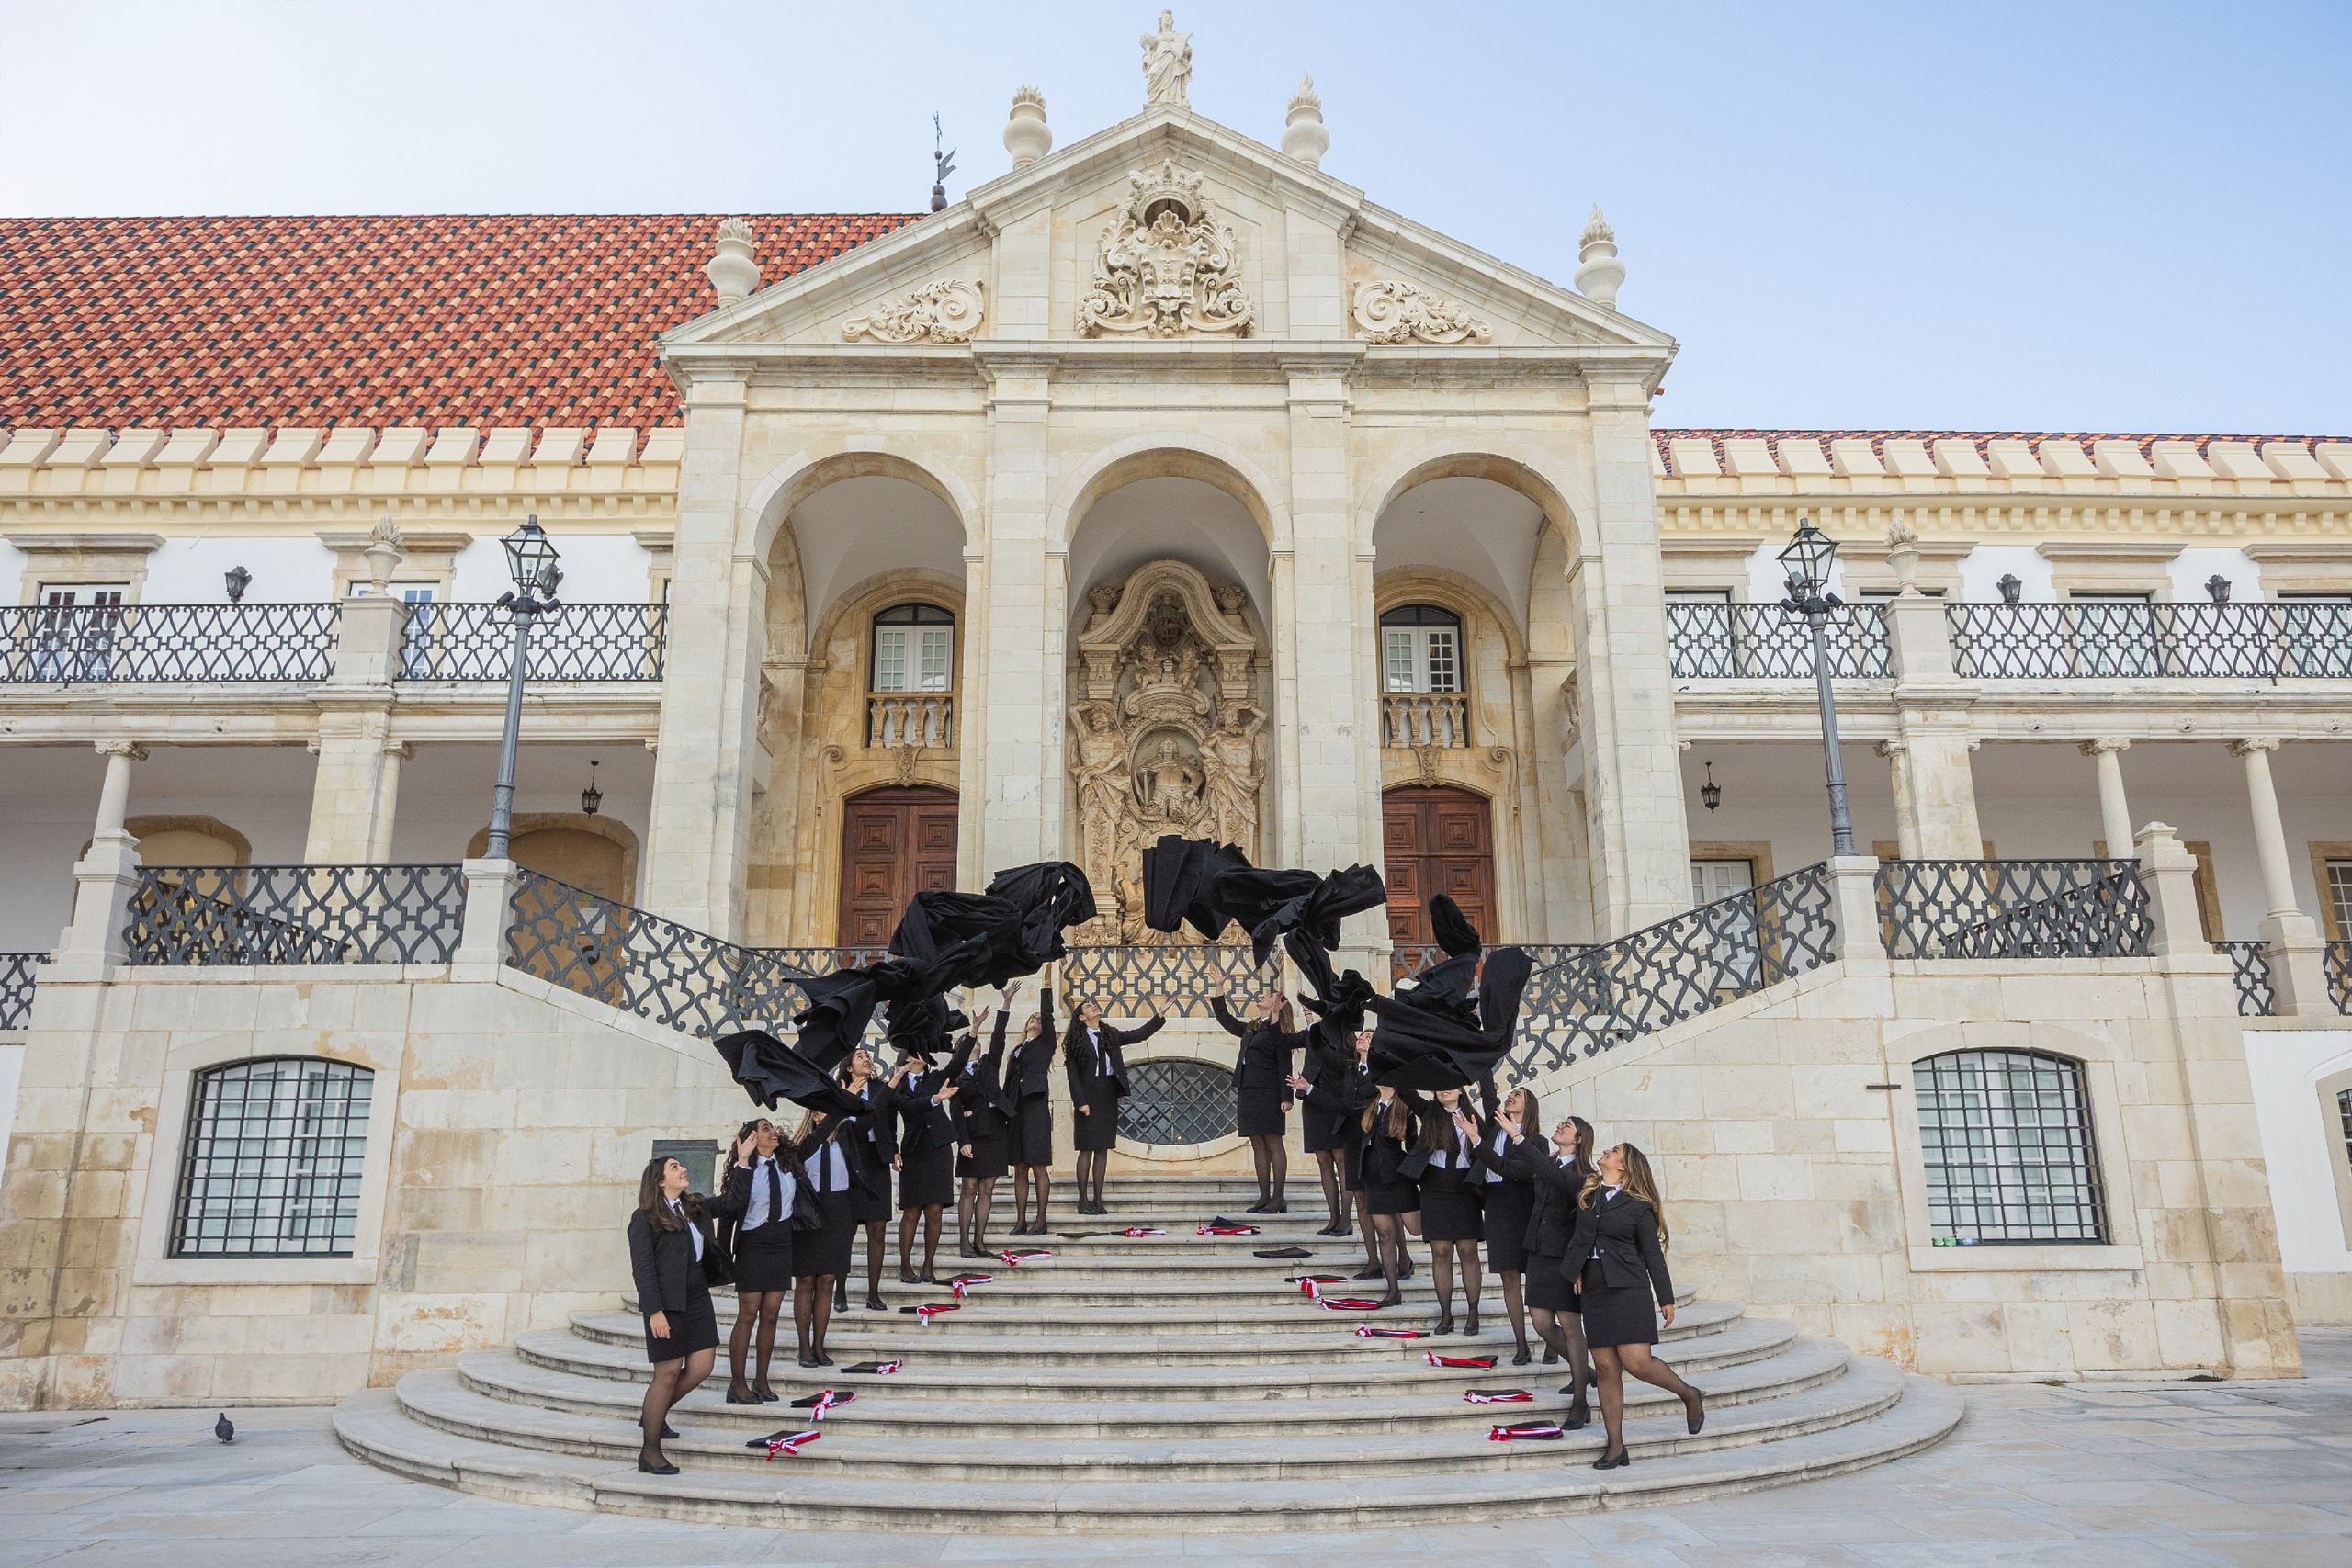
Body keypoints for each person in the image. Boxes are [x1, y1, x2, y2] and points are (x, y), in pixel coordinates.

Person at [1572, 1141, 1703, 1469]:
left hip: (1629, 1288)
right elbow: (1579, 1238)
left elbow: (1653, 1255)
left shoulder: (1638, 1206)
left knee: (1637, 1362)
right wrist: (1574, 1268)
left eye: (1614, 1150)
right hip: (1595, 1289)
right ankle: (1616, 1447)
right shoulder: (1589, 1195)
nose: (1605, 1152)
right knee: (1604, 1367)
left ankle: (1689, 1394)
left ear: (1625, 1165)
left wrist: (1666, 1298)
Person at [625, 1154, 728, 1474]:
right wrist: (654, 1312)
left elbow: (734, 1200)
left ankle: (652, 1414)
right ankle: (650, 1451)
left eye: (681, 1166)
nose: (683, 1169)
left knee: (702, 1366)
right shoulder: (643, 1218)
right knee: (667, 1374)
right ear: (659, 1181)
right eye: (675, 1167)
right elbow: (642, 1270)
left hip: (697, 1297)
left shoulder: (694, 1207)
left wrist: (746, 1160)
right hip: (665, 1304)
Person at [1500, 1110, 1597, 1427]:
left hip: (1566, 1257)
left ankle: (1580, 1401)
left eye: (1567, 1126)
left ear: (1579, 1139)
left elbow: (1559, 1184)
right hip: (1539, 1252)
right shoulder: (1551, 1163)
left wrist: (1518, 1137)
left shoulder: (1586, 1175)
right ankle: (1583, 1371)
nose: (1560, 1127)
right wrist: (1476, 1139)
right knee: (1542, 1324)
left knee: (1570, 1325)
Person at [711, 1118, 797, 1404]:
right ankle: (737, 1384)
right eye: (765, 1129)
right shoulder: (743, 1171)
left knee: (771, 1314)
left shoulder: (788, 1165)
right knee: (748, 1313)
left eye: (772, 1128)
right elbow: (727, 1215)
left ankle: (761, 1381)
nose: (773, 1132)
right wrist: (724, 1258)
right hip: (753, 1244)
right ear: (750, 1139)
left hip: (782, 1244)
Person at [1063, 993, 1168, 1215]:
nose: (1094, 1006)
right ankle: (1083, 1201)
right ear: (1081, 1017)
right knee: (1086, 1149)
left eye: (1094, 1004)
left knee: (1103, 1148)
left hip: (1107, 1093)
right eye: (1088, 1006)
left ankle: (1098, 1200)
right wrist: (1080, 1102)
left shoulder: (1110, 1034)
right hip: (1087, 1096)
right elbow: (1072, 1075)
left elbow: (1138, 1035)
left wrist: (1159, 1015)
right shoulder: (1076, 1040)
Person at [1212, 982, 1304, 1213]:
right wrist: (1219, 988)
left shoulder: (1278, 1031)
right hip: (1249, 1090)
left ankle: (1279, 1198)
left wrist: (1287, 1097)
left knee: (1273, 1141)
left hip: (1270, 1091)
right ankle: (1264, 1197)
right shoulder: (1252, 1027)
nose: (1264, 996)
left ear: (1279, 1006)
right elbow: (1226, 1019)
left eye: (1270, 995)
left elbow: (1285, 1064)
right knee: (1256, 1143)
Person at [1470, 1084, 1541, 1364]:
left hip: (1525, 1210)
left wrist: (1477, 1143)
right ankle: (1521, 1344)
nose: (1510, 1097)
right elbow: (1489, 1095)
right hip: (1497, 1207)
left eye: (1518, 1095)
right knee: (1509, 1279)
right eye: (1510, 1094)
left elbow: (1513, 1170)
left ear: (1529, 1105)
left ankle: (1551, 1340)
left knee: (1537, 1279)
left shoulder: (1537, 1141)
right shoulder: (1492, 1129)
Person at [832, 1044, 902, 1313]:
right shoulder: (840, 1090)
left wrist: (894, 1149)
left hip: (876, 1160)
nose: (866, 1059)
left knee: (878, 1229)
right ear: (849, 1067)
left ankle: (873, 1293)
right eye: (860, 1056)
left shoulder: (880, 1088)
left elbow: (891, 1120)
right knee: (845, 1231)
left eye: (868, 1056)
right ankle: (840, 1291)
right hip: (848, 1161)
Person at [787, 1108, 855, 1367]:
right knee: (806, 1280)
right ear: (813, 1116)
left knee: (828, 1278)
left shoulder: (844, 1138)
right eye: (822, 1110)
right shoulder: (802, 1145)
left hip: (838, 1209)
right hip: (809, 1210)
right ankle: (804, 1347)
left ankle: (819, 1344)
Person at [956, 984, 1018, 1258]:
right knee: (969, 1187)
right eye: (971, 1043)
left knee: (988, 1187)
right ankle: (964, 1242)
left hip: (995, 1129)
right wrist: (962, 1141)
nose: (976, 1044)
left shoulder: (990, 1062)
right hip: (972, 1134)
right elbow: (956, 1110)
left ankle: (980, 1241)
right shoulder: (955, 1074)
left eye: (977, 1042)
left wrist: (1005, 1004)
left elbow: (999, 1038)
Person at [1419, 1089, 1487, 1335]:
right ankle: (1446, 1314)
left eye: (1450, 1085)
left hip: (1465, 1186)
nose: (1443, 1090)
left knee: (1468, 1250)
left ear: (1460, 1090)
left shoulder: (1474, 1118)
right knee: (1441, 1252)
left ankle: (1473, 1312)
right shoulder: (1429, 1114)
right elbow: (1405, 1093)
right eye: (1438, 1086)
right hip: (1434, 1187)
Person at [1291, 1008, 1363, 1237]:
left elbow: (1339, 1063)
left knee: (1341, 1160)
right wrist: (1308, 1021)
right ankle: (1333, 1217)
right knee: (1323, 1161)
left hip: (1338, 1102)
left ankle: (1345, 1218)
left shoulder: (1347, 1037)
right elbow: (1283, 1040)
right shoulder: (1315, 1032)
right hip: (1313, 1102)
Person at [894, 1041, 962, 1282]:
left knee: (934, 1211)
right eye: (915, 1052)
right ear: (906, 1057)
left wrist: (973, 1033)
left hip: (938, 1149)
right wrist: (934, 1099)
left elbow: (958, 1062)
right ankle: (904, 1266)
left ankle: (928, 1266)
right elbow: (902, 1110)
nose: (920, 1055)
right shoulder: (897, 1085)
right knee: (911, 1211)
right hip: (913, 1151)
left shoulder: (936, 1078)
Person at [1355, 1083, 1422, 1308]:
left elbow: (1415, 1147)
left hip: (1398, 1178)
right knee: (1384, 1234)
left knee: (1415, 1228)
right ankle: (1393, 1290)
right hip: (1374, 1180)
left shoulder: (1405, 1109)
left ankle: (1407, 1262)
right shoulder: (1371, 1105)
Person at [1002, 981, 1057, 1235]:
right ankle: (1020, 1219)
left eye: (1038, 1018)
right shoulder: (1016, 1051)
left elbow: (1048, 1014)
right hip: (1016, 1111)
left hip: (1035, 1107)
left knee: (1038, 1165)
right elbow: (1006, 1083)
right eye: (1031, 1018)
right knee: (1020, 1168)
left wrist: (1046, 988)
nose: (1036, 1019)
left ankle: (1041, 1219)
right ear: (1025, 1026)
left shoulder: (1045, 1045)